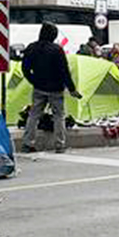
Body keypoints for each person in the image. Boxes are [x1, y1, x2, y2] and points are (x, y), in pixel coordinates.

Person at [22, 23, 82, 153]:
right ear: (53, 36)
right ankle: (59, 145)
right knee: (59, 116)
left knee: (33, 115)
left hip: (38, 87)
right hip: (56, 89)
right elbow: (64, 71)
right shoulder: (57, 50)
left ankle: (28, 143)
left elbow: (25, 69)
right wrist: (72, 89)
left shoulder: (31, 47)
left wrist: (34, 81)